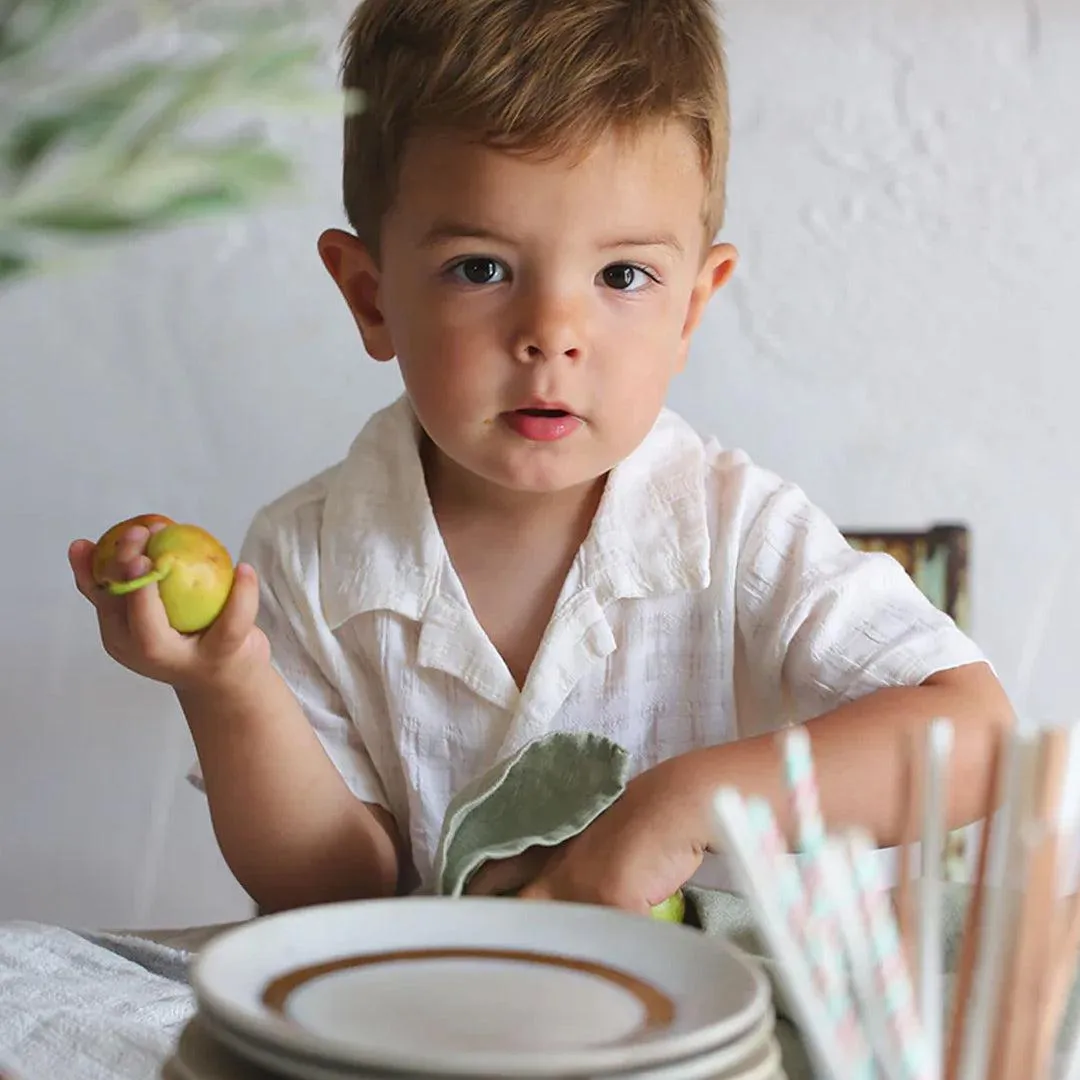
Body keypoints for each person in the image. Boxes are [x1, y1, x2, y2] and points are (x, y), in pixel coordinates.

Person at [69, 0, 1012, 916]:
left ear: (691, 304)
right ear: (372, 298)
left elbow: (978, 742)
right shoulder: (309, 555)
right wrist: (225, 685)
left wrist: (681, 806)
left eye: (622, 276)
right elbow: (336, 892)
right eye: (482, 268)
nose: (553, 334)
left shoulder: (741, 534)